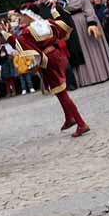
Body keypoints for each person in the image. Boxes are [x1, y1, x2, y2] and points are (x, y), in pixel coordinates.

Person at [11, 7, 89, 137]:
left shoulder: (27, 32)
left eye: (21, 16)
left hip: (48, 60)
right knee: (59, 91)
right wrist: (56, 14)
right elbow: (63, 29)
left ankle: (81, 123)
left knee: (62, 93)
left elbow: (20, 44)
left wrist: (7, 35)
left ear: (28, 15)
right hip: (57, 55)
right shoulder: (48, 23)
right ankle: (70, 118)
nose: (20, 19)